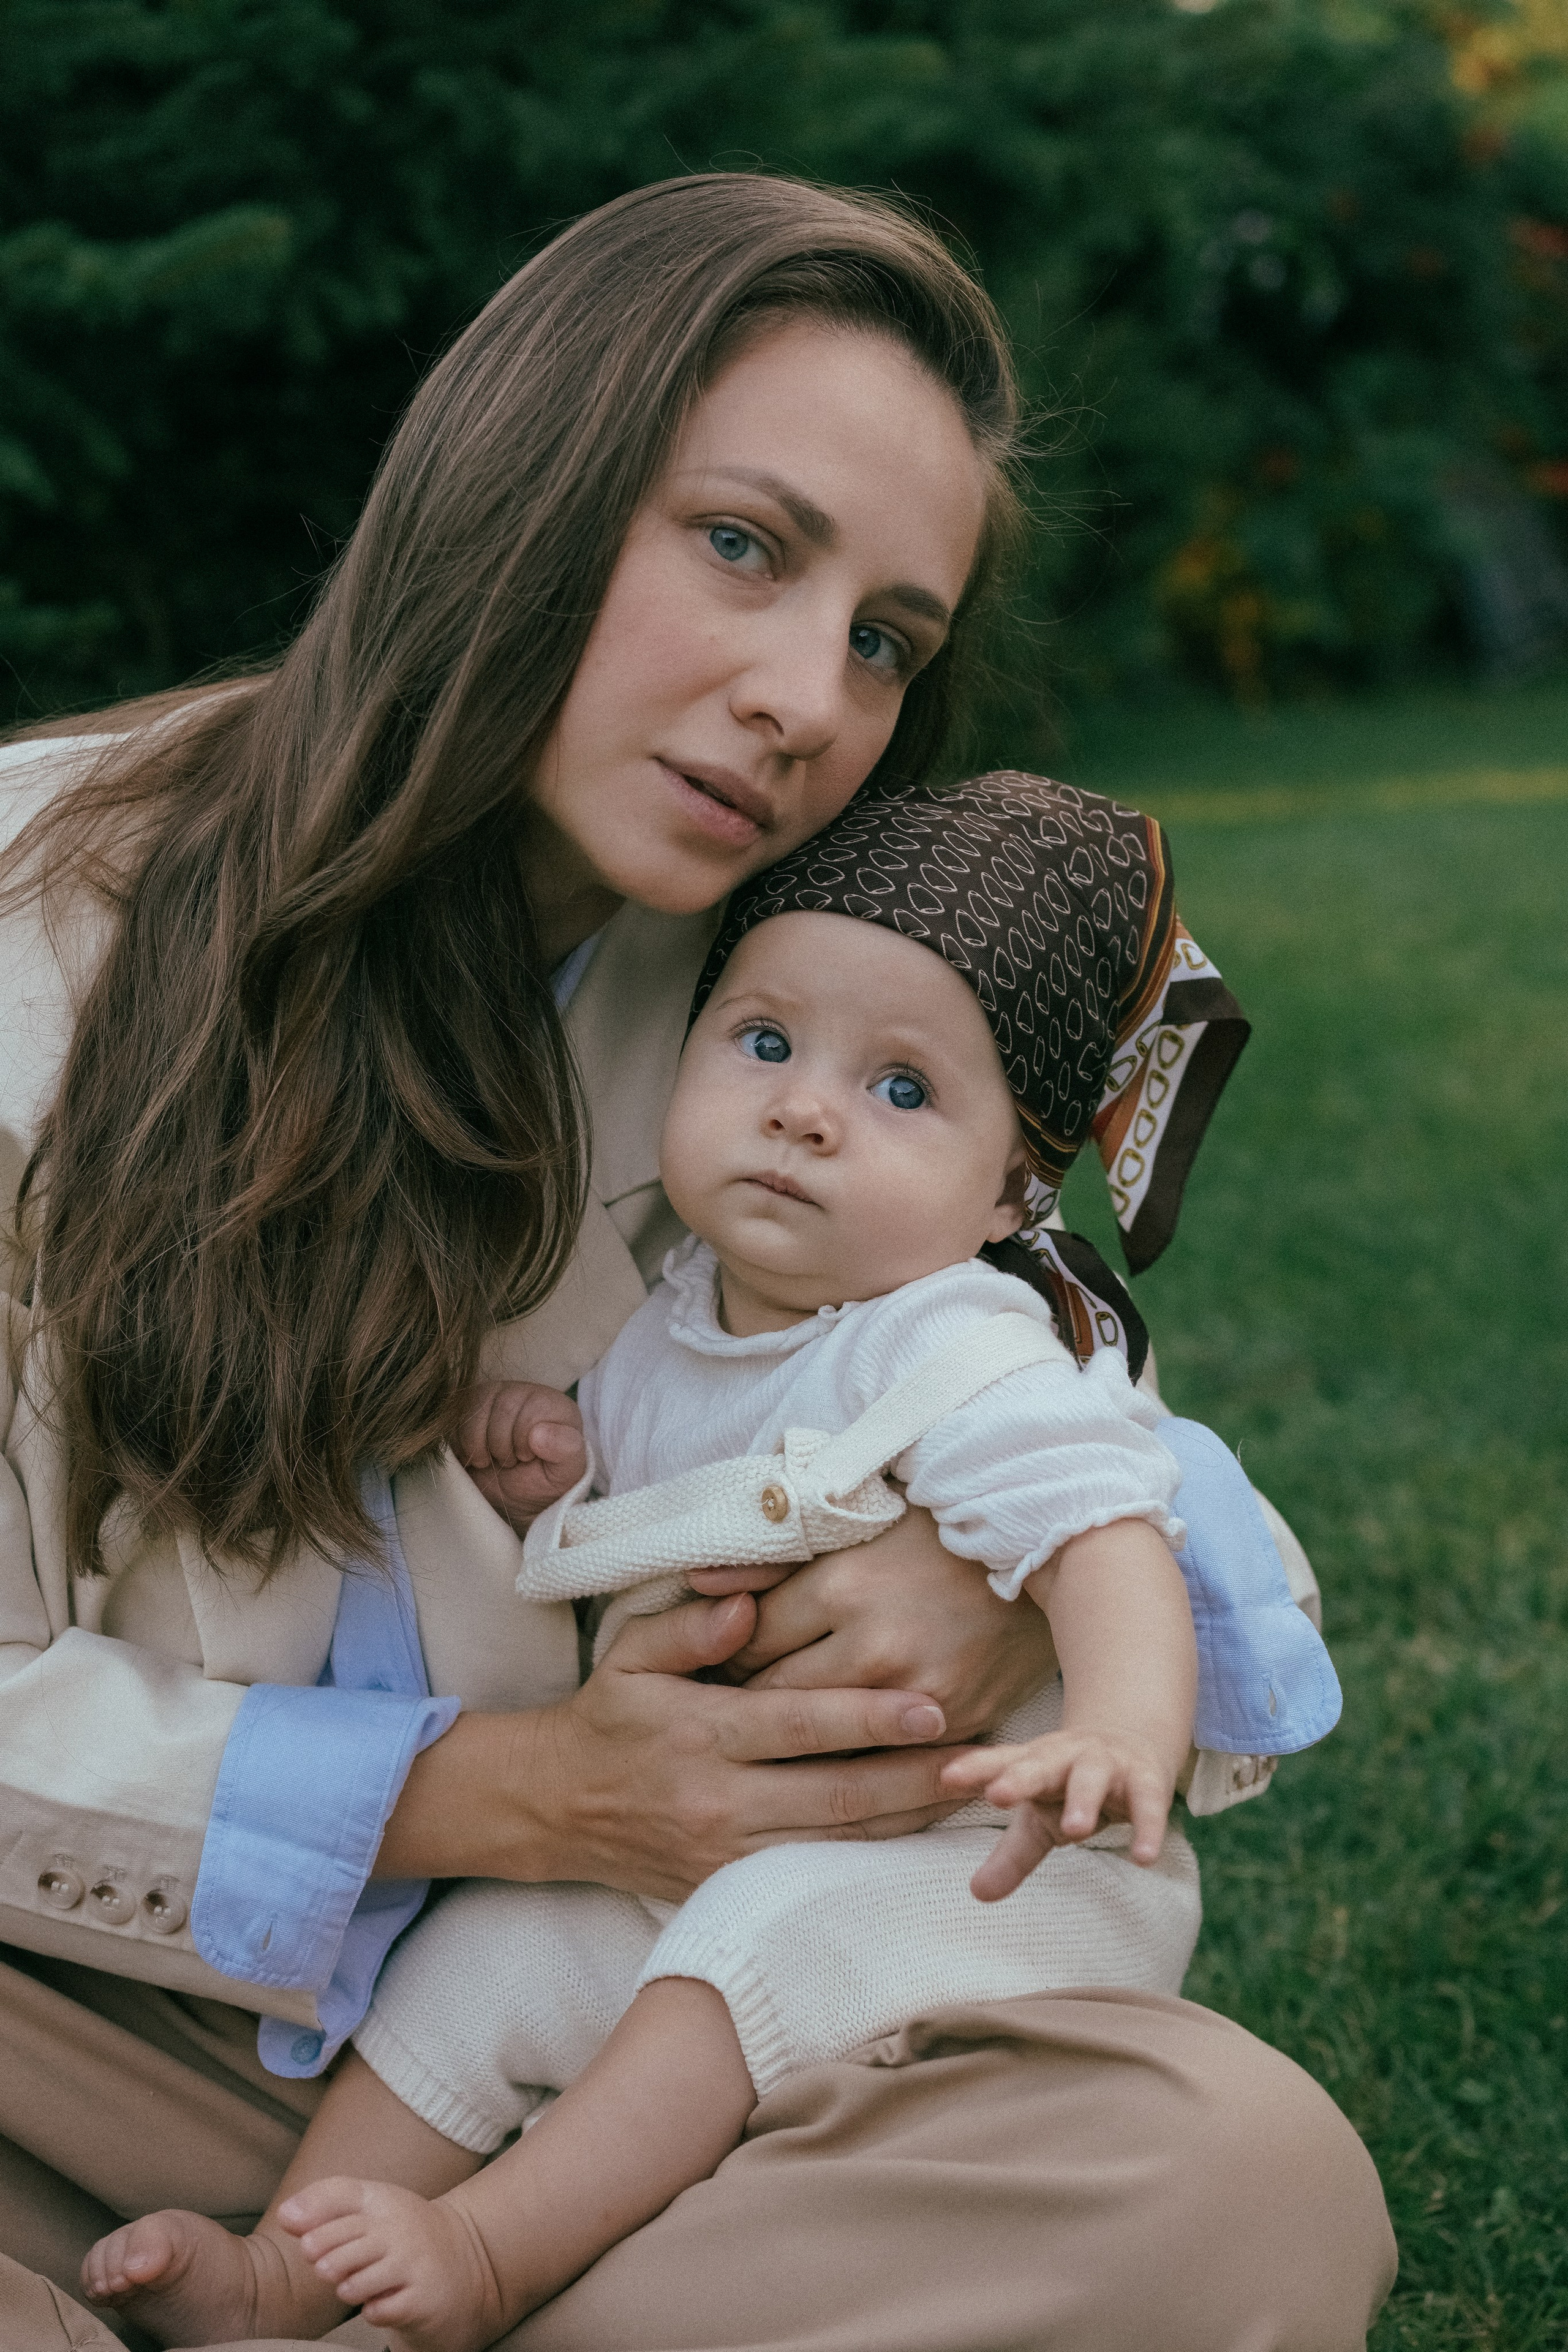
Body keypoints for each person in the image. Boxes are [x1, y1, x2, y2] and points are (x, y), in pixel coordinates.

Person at [0, 173, 1395, 2352]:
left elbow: (1133, 1478)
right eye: (745, 546)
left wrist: (992, 1606)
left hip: (603, 2105)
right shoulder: (33, 934)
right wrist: (499, 1795)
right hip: (79, 2033)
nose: (809, 699)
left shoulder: (803, 1020)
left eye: (886, 641)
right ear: (521, 486)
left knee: (1237, 2190)